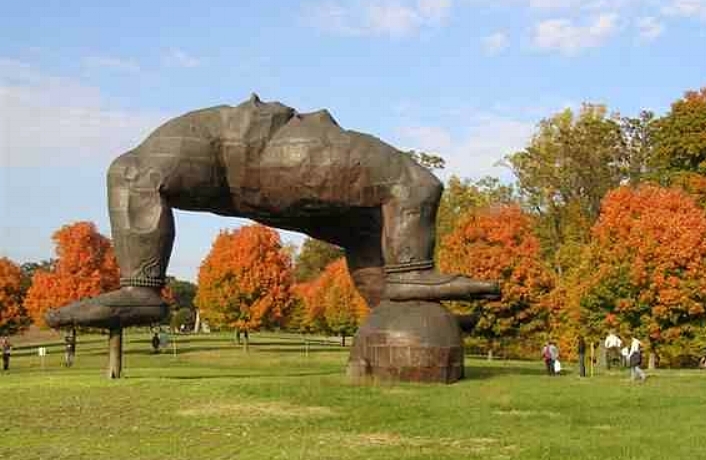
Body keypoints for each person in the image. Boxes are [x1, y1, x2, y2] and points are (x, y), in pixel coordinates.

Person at [43, 95, 499, 331]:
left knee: (367, 229)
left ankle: (401, 304)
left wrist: (412, 307)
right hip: (250, 149)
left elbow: (132, 173)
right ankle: (410, 277)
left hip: (246, 169)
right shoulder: (192, 146)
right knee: (413, 182)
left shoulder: (173, 151)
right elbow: (132, 173)